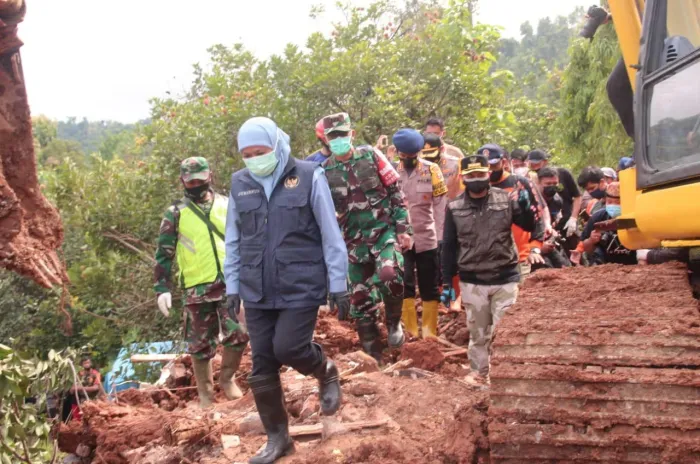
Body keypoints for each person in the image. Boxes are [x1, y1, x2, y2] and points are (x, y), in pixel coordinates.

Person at [225, 117, 348, 464]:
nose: (254, 158)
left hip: (301, 283)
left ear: (276, 146)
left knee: (289, 347)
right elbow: (233, 240)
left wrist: (338, 282)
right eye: (247, 154)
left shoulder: (308, 175)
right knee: (261, 364)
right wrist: (232, 287)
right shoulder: (240, 184)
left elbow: (329, 233)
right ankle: (278, 440)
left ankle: (325, 370)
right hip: (256, 288)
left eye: (260, 151)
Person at [154, 157, 249, 408]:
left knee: (239, 332)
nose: (196, 184)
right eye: (190, 180)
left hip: (230, 282)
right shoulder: (175, 213)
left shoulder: (228, 205)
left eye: (200, 179)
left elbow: (245, 240)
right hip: (196, 287)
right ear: (183, 181)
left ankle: (227, 380)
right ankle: (206, 396)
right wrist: (161, 288)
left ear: (210, 176)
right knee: (199, 344)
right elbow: (164, 253)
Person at [442, 154, 539, 383]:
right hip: (473, 280)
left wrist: (526, 207)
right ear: (464, 178)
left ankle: (505, 374)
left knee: (504, 330)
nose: (476, 179)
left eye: (480, 174)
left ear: (488, 175)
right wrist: (447, 283)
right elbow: (448, 247)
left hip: (505, 276)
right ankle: (479, 373)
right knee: (478, 333)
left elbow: (528, 225)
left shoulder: (505, 200)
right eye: (471, 175)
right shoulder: (454, 207)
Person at [322, 113, 412, 360]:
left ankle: (394, 322)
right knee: (359, 300)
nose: (338, 139)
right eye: (333, 136)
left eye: (342, 134)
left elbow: (396, 194)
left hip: (383, 233)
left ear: (351, 134)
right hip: (352, 243)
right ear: (327, 139)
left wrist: (404, 229)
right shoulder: (324, 172)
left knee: (389, 275)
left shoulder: (372, 156)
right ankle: (372, 355)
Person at [394, 128, 448, 339]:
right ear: (398, 151)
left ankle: (429, 334)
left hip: (427, 237)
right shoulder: (390, 171)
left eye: (412, 156)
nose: (408, 159)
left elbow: (441, 206)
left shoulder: (432, 170)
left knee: (429, 286)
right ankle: (410, 332)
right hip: (401, 239)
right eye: (403, 155)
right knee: (405, 284)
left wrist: (442, 238)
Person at [486, 144, 546, 278]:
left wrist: (535, 248)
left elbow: (538, 217)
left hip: (520, 257)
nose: (490, 170)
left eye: (494, 165)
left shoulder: (520, 183)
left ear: (504, 162)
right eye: (486, 167)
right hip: (487, 262)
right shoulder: (477, 188)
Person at [422, 133, 463, 309]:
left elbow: (462, 191)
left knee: (453, 255)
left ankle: (457, 297)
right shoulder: (419, 165)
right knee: (434, 258)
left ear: (442, 149)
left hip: (453, 214)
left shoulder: (456, 164)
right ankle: (439, 299)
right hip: (429, 218)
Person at [527, 149, 582, 240]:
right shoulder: (531, 178)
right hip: (546, 224)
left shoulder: (563, 174)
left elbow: (577, 196)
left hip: (567, 220)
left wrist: (573, 218)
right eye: (532, 164)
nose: (535, 167)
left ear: (545, 162)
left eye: (537, 163)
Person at [581, 182, 637, 265]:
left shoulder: (637, 217)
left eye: (618, 203)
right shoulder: (597, 218)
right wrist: (591, 240)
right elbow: (584, 247)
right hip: (606, 267)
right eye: (609, 202)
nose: (613, 206)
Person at [62, 357, 102, 422]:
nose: (87, 364)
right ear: (82, 365)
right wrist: (74, 389)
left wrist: (79, 388)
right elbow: (72, 388)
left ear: (91, 363)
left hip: (91, 400)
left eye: (88, 363)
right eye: (85, 363)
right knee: (77, 419)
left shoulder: (95, 373)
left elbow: (96, 387)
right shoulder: (78, 374)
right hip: (78, 400)